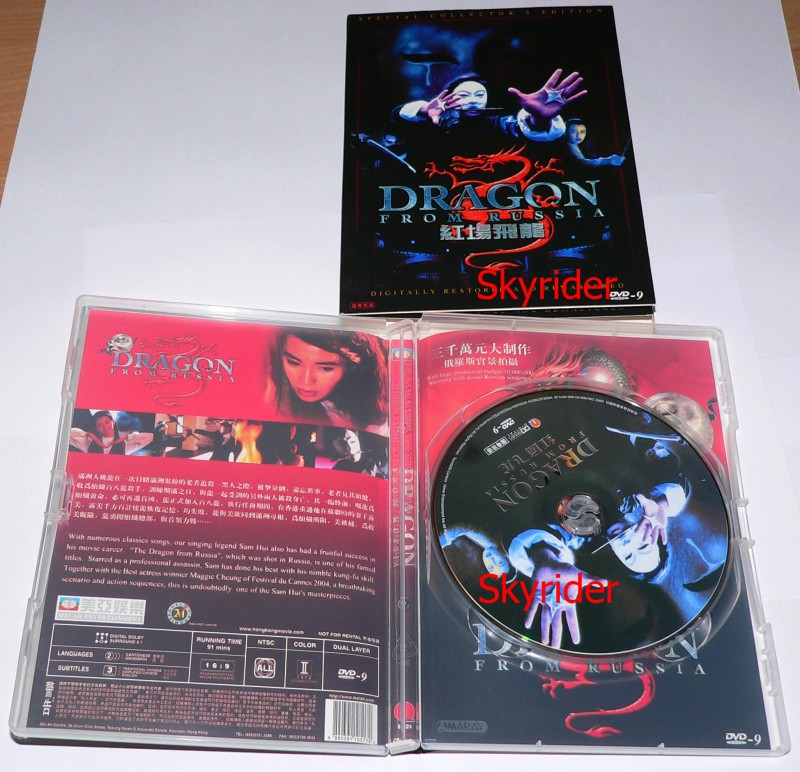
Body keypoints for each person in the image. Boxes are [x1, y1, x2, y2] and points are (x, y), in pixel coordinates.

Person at [395, 69, 586, 144]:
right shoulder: (440, 123)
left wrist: (539, 119)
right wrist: (424, 111)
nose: (473, 100)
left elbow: (519, 127)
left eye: (479, 95)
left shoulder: (500, 124)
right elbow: (396, 120)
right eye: (464, 95)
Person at [266, 328, 389, 434]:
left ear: (352, 367)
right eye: (293, 363)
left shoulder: (373, 419)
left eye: (326, 368)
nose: (306, 381)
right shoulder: (274, 397)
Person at [69, 410, 154, 455]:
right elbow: (68, 434)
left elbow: (151, 437)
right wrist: (87, 434)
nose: (105, 427)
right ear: (97, 428)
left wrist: (128, 437)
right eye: (100, 425)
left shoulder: (124, 445)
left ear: (113, 422)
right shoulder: (89, 443)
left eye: (107, 422)